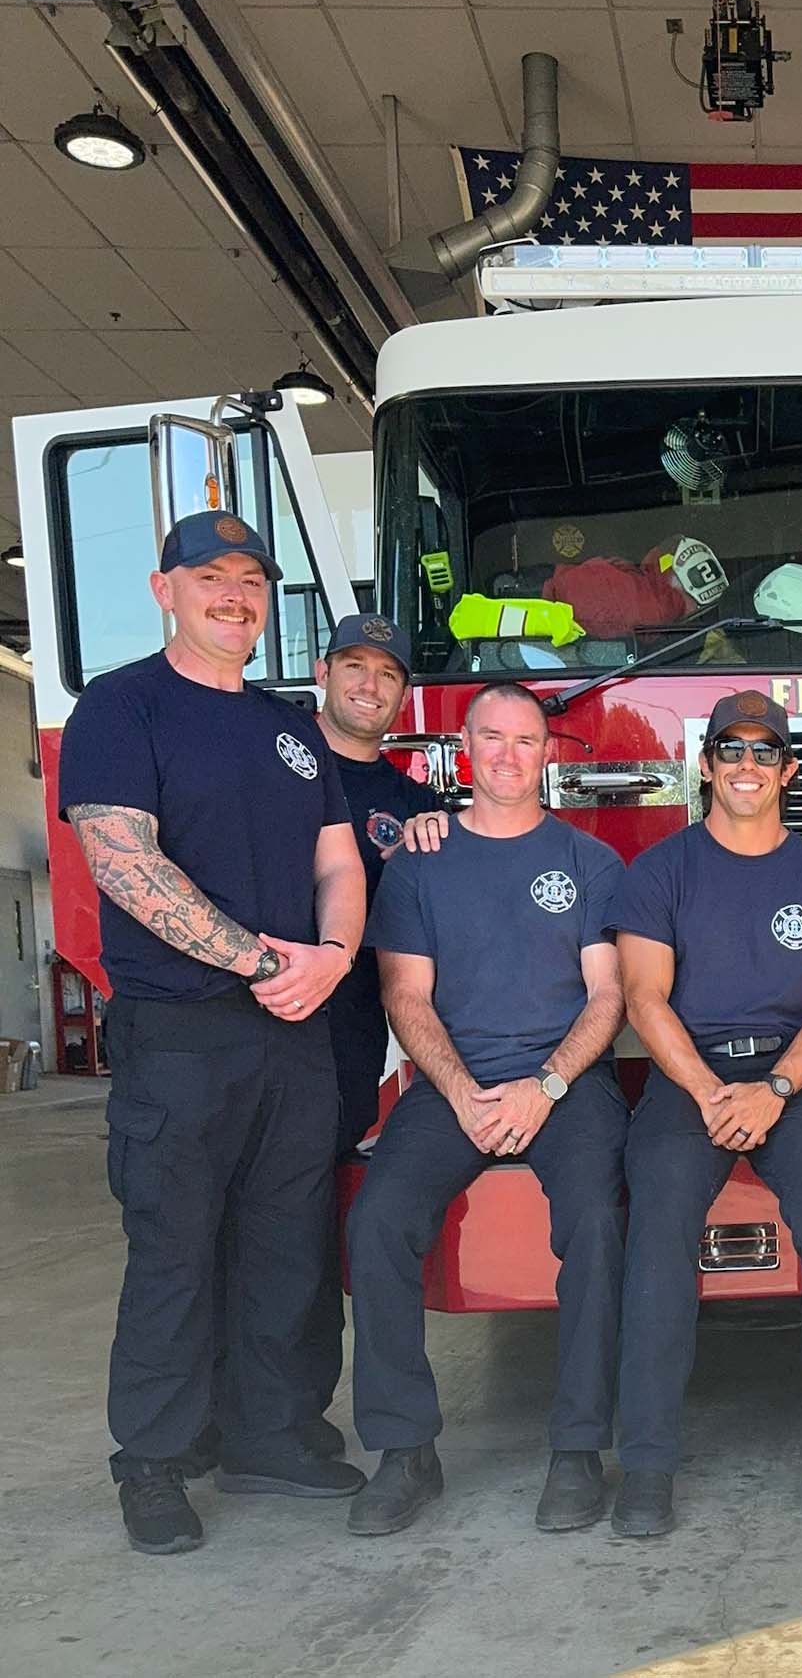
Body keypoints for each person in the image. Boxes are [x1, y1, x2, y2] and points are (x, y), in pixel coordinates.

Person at [58, 509, 367, 1556]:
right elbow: (122, 860)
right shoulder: (121, 706)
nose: (234, 596)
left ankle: (270, 1436)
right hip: (183, 1033)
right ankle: (153, 1459)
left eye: (251, 580)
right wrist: (261, 960)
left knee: (288, 1248)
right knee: (176, 1252)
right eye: (211, 577)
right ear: (165, 589)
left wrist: (328, 955)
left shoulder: (286, 725)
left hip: (294, 1030)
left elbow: (339, 858)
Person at [345, 682, 630, 1534]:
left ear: (550, 753)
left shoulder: (589, 863)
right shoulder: (420, 864)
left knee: (596, 1219)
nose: (509, 755)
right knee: (377, 1221)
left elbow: (607, 994)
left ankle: (579, 1447)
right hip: (452, 1088)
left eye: (527, 740)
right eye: (492, 738)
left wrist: (542, 1087)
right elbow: (406, 994)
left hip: (567, 1086)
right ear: (465, 748)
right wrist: (468, 1094)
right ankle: (405, 1450)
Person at [612, 690, 802, 1534]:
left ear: (789, 770)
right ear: (707, 763)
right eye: (732, 749)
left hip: (791, 1083)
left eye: (767, 752)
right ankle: (647, 1466)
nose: (748, 765)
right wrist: (707, 1093)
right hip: (689, 1082)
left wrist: (776, 1090)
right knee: (655, 1231)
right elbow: (643, 997)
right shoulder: (661, 869)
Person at [298, 613, 442, 1450]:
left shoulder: (412, 804)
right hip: (259, 1017)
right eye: (354, 666)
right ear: (323, 670)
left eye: (387, 674)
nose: (369, 685)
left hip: (349, 1030)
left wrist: (434, 835)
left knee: (312, 1225)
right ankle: (218, 1418)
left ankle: (295, 1423)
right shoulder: (275, 761)